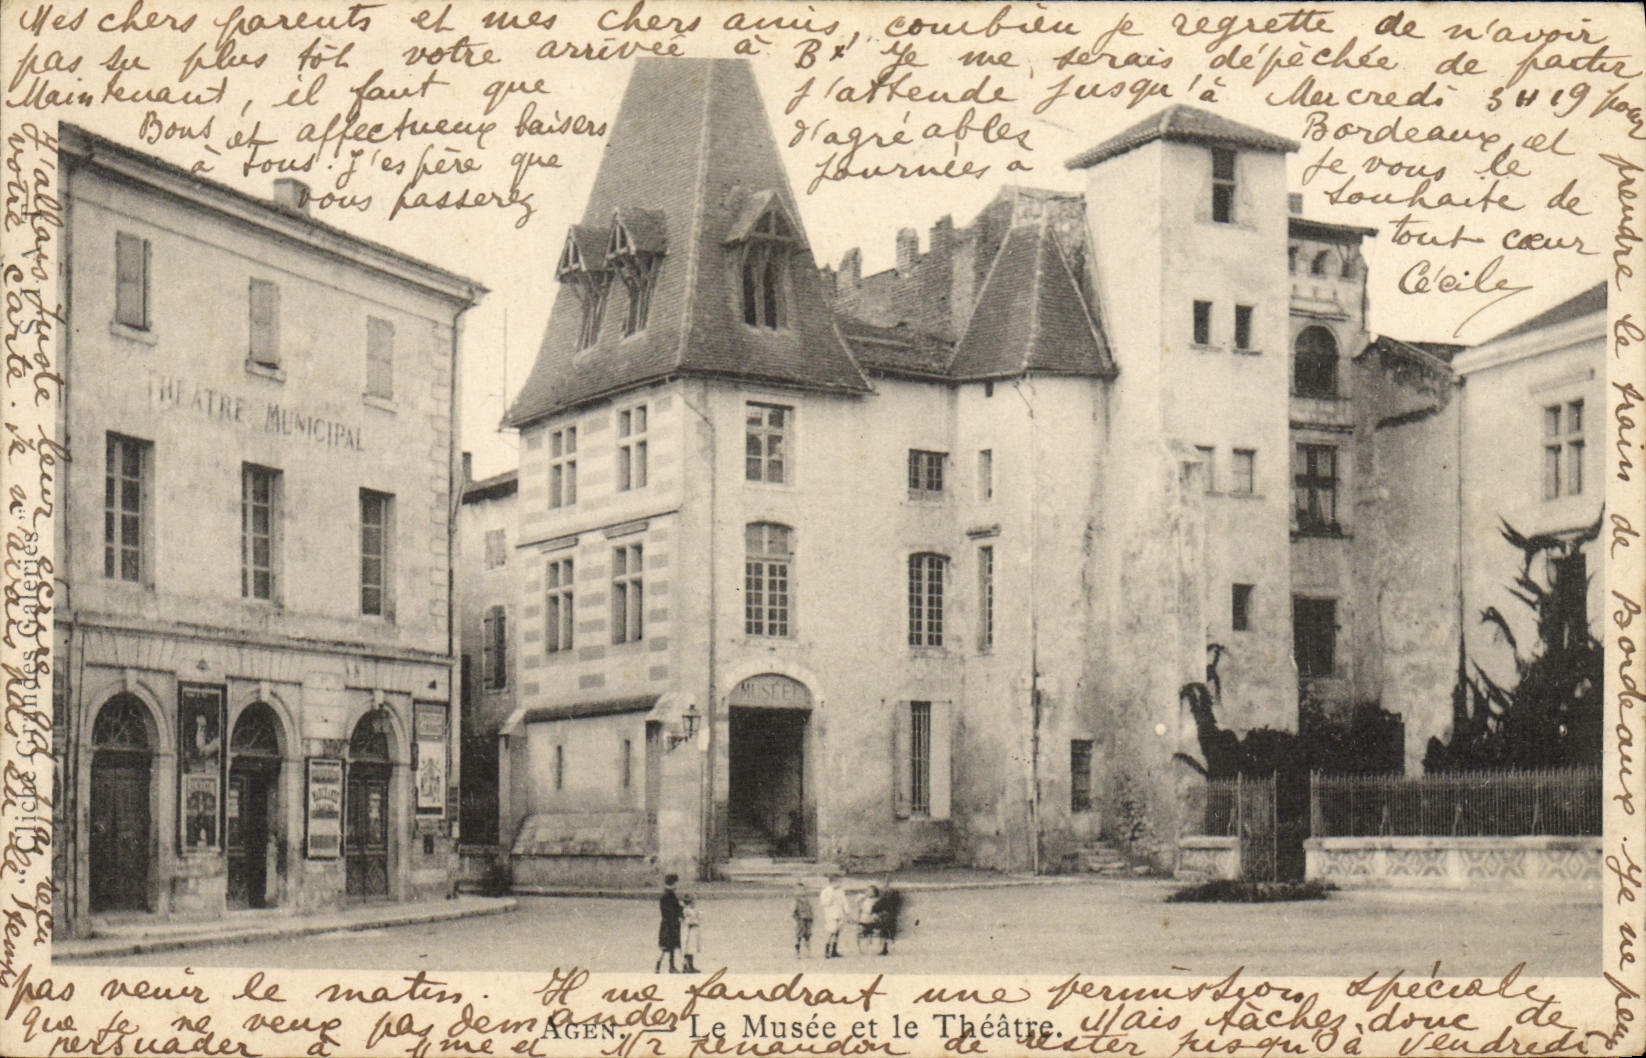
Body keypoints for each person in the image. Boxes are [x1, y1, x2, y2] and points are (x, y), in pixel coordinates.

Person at [655, 873, 683, 973]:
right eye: (676, 883)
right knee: (669, 946)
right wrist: (680, 911)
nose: (677, 886)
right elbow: (671, 910)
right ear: (673, 884)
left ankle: (661, 964)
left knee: (669, 946)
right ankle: (670, 966)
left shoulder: (668, 895)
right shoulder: (668, 896)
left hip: (669, 924)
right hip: (670, 924)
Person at [818, 875, 846, 958]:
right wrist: (830, 897)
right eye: (838, 882)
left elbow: (844, 902)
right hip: (830, 914)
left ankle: (834, 950)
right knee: (831, 932)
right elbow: (824, 903)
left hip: (839, 913)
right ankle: (827, 950)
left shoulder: (841, 891)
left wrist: (847, 911)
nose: (840, 884)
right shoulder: (826, 891)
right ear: (832, 882)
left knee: (837, 932)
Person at [679, 894, 701, 973]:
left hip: (692, 931)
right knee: (688, 949)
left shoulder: (691, 910)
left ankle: (690, 966)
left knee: (690, 949)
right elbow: (689, 921)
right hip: (689, 931)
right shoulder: (687, 910)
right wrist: (696, 921)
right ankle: (686, 966)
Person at [792, 881, 814, 958]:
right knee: (799, 937)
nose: (801, 892)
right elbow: (793, 912)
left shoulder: (807, 900)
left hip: (808, 919)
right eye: (798, 890)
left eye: (802, 890)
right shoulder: (796, 901)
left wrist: (812, 918)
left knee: (808, 936)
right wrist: (796, 920)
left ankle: (808, 952)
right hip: (800, 920)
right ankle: (797, 952)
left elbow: (810, 909)